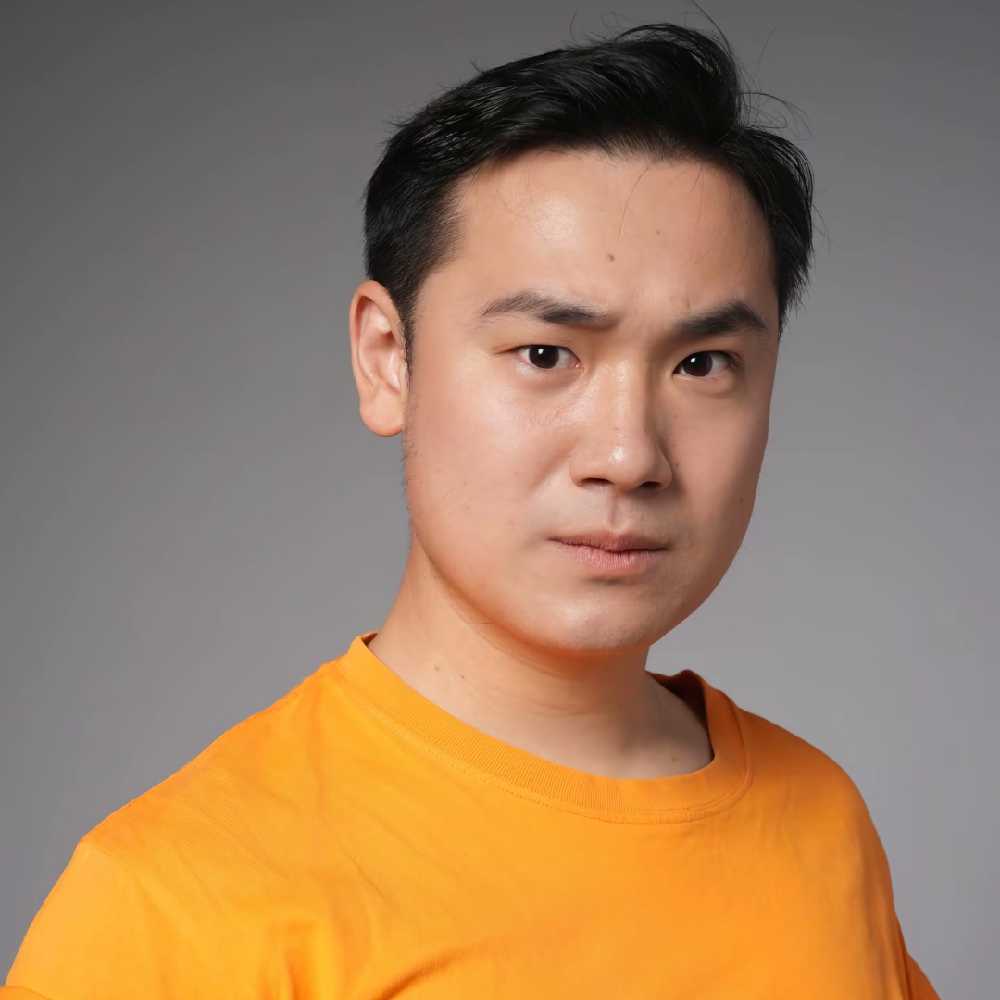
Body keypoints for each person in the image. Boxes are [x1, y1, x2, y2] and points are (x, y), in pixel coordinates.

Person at [3, 18, 940, 999]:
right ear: (387, 360)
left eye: (702, 364)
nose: (628, 456)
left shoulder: (820, 822)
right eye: (545, 354)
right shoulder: (173, 904)